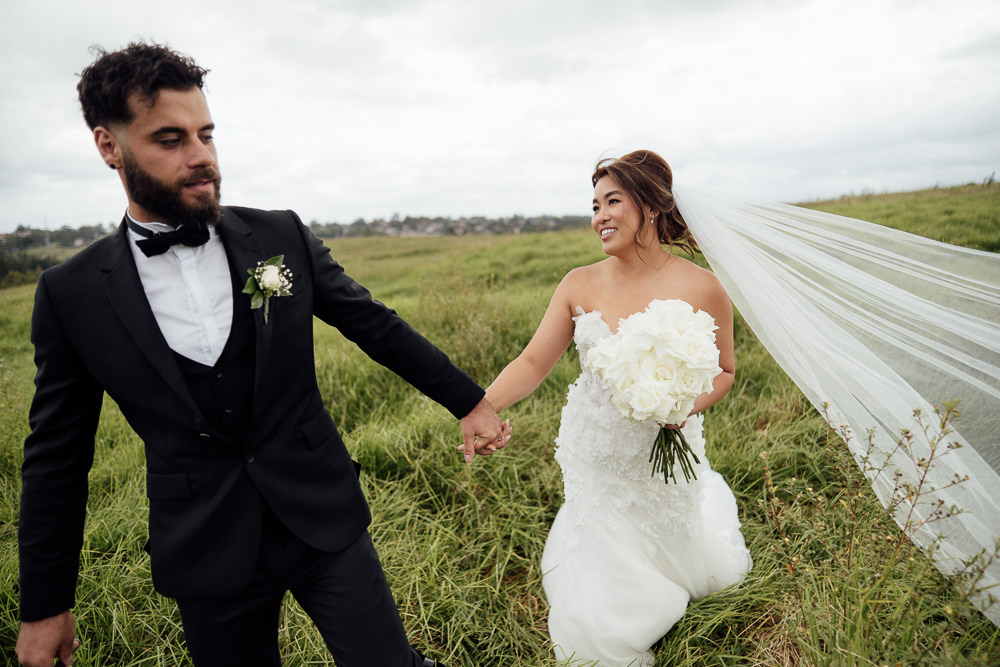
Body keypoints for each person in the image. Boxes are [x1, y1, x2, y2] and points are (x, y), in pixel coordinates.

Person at [16, 42, 510, 667]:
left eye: (206, 134)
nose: (201, 156)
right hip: (205, 543)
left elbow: (375, 326)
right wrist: (45, 605)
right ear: (108, 146)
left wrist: (470, 401)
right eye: (170, 139)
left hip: (321, 513)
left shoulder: (280, 236)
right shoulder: (71, 294)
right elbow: (57, 458)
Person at [485, 150, 752, 665]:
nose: (599, 216)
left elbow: (725, 371)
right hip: (597, 452)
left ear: (650, 206)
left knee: (682, 549)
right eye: (594, 206)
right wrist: (481, 407)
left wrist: (682, 407)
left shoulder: (703, 286)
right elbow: (532, 362)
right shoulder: (578, 283)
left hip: (665, 446)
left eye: (612, 201)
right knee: (597, 623)